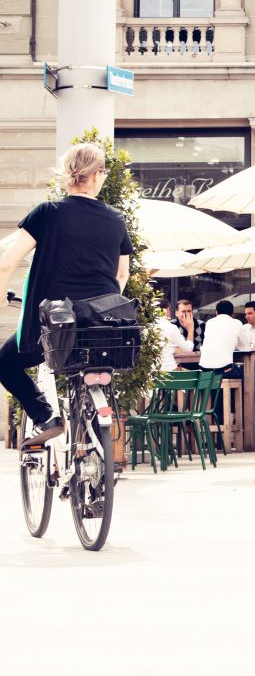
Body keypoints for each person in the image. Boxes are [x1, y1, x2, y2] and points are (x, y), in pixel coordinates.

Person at [0, 144, 133, 449]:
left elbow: (7, 261)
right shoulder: (115, 219)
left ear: (67, 175)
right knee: (93, 364)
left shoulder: (47, 213)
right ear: (98, 176)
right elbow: (121, 275)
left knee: (5, 362)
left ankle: (47, 418)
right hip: (103, 328)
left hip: (57, 325)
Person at [199, 300, 245, 380]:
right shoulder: (237, 323)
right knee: (245, 375)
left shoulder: (209, 322)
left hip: (205, 370)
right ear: (232, 313)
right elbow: (244, 346)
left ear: (216, 312)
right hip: (224, 370)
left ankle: (219, 392)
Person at [154, 296, 193, 373]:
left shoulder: (146, 327)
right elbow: (188, 349)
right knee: (193, 376)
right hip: (170, 371)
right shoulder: (171, 327)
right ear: (167, 310)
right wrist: (190, 329)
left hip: (151, 374)